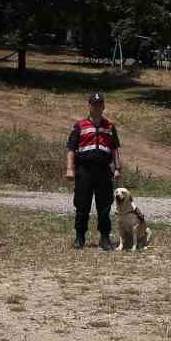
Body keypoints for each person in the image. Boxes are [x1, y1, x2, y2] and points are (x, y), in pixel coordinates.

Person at [65, 92, 122, 250]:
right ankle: (80, 236)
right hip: (84, 170)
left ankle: (104, 237)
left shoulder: (110, 126)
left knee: (104, 206)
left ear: (103, 106)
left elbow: (115, 149)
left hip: (104, 170)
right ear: (89, 106)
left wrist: (117, 168)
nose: (97, 106)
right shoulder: (79, 126)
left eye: (99, 104)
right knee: (82, 205)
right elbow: (70, 149)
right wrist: (70, 169)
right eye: (94, 104)